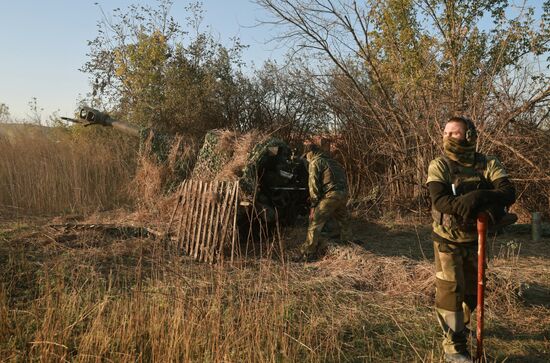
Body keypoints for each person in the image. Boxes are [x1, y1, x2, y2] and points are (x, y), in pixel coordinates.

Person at [426, 116, 516, 362]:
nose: (448, 137)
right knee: (450, 292)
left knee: (473, 293)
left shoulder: (487, 163)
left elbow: (507, 192)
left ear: (470, 135)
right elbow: (441, 201)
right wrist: (472, 202)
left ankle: (459, 324)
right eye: (446, 132)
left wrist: (478, 196)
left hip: (476, 239)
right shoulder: (440, 165)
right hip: (447, 239)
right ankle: (453, 346)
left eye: (455, 133)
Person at [299, 142, 352, 261]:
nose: (306, 159)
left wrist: (314, 203)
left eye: (306, 156)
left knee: (315, 223)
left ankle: (308, 253)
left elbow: (313, 186)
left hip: (331, 196)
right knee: (344, 219)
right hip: (343, 194)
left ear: (310, 153)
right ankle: (347, 242)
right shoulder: (333, 162)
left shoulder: (315, 162)